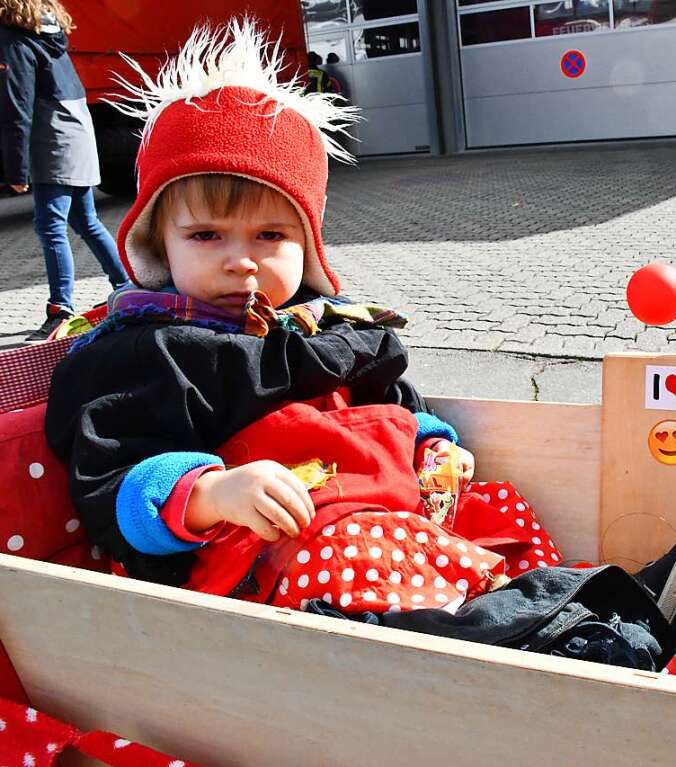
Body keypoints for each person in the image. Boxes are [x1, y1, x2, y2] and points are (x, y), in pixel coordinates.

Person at [43, 19, 506, 615]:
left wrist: (432, 441)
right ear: (161, 247)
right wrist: (209, 493)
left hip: (393, 520)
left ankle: (541, 626)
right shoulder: (150, 350)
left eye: (270, 235)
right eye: (207, 235)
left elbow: (387, 398)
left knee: (497, 517)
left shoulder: (326, 330)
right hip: (258, 567)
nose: (242, 262)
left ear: (308, 248)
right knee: (367, 562)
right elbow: (110, 469)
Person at [0, 0, 129, 340]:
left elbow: (18, 105)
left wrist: (16, 170)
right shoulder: (48, 33)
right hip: (76, 128)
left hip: (53, 137)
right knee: (85, 220)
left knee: (50, 225)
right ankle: (127, 287)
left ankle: (61, 310)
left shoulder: (15, 40)